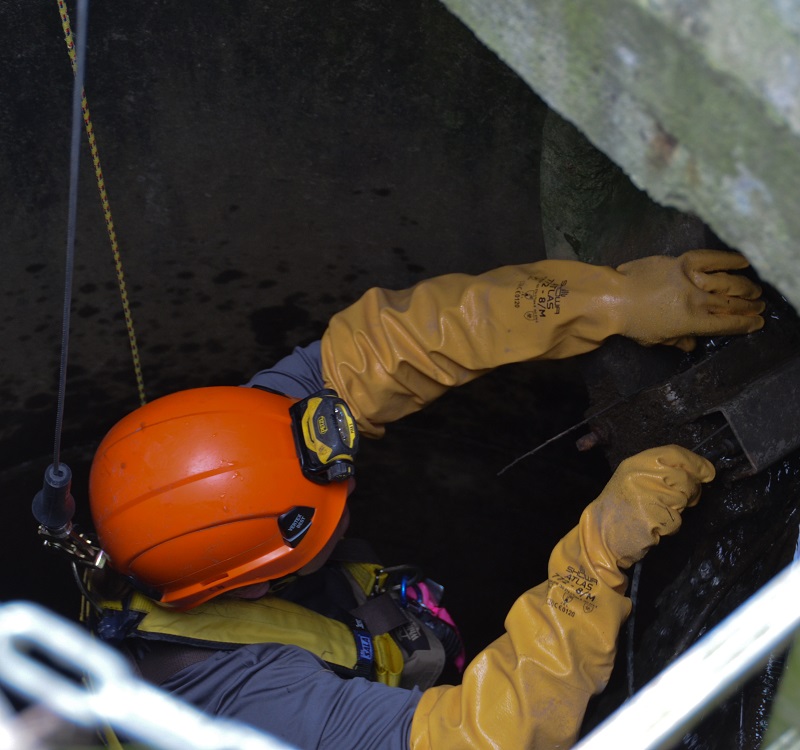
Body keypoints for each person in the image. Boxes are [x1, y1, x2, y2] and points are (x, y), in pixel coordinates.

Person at [87, 249, 764, 749]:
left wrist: (608, 299)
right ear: (259, 582)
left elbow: (404, 340)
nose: (350, 477)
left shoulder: (233, 448)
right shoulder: (253, 705)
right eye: (326, 501)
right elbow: (487, 738)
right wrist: (596, 560)